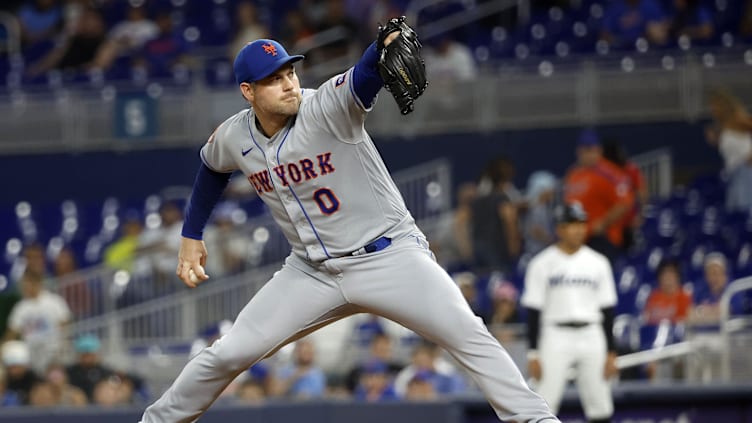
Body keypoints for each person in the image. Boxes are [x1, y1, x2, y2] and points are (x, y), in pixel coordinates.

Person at [138, 32, 558, 422]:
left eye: (289, 72)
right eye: (272, 79)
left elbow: (364, 76)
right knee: (228, 354)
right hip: (310, 272)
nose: (287, 84)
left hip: (389, 255)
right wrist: (191, 235)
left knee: (469, 334)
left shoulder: (325, 106)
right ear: (248, 92)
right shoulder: (235, 135)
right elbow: (212, 168)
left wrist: (380, 47)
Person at [521, 202, 618, 422]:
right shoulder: (541, 263)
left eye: (581, 223)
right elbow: (533, 310)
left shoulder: (598, 262)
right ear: (560, 229)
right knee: (544, 404)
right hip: (555, 334)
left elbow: (608, 309)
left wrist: (611, 352)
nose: (579, 229)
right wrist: (533, 354)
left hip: (592, 333)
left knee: (600, 404)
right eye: (572, 224)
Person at [564, 129, 635, 263]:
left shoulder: (609, 173)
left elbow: (626, 202)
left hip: (602, 238)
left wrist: (603, 223)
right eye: (584, 150)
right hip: (578, 238)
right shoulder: (573, 173)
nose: (588, 154)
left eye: (591, 150)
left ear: (599, 150)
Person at [4, 270, 72, 375]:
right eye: (23, 284)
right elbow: (12, 331)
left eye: (27, 284)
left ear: (37, 283)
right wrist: (4, 347)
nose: (24, 288)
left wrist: (64, 343)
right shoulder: (21, 307)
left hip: (53, 350)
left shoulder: (54, 301)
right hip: (32, 352)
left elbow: (65, 323)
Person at [705, 89, 752, 212]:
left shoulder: (738, 120)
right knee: (733, 213)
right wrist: (716, 140)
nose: (712, 110)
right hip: (733, 172)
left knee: (744, 212)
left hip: (744, 170)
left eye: (714, 106)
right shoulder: (724, 126)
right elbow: (732, 146)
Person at [642, 259, 692, 325]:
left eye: (670, 274)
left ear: (678, 277)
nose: (667, 277)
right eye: (664, 274)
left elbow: (682, 323)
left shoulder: (684, 297)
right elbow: (646, 320)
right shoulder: (654, 296)